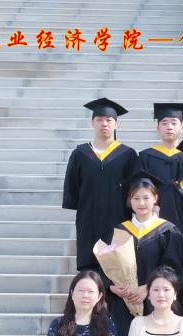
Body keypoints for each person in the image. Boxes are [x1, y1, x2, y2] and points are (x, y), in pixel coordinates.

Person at [104, 171, 183, 336]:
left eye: (146, 197)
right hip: (123, 304)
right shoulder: (119, 230)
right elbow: (105, 268)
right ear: (129, 200)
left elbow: (174, 271)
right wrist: (111, 287)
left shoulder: (168, 231)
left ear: (156, 198)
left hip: (156, 303)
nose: (141, 203)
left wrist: (148, 288)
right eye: (136, 198)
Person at [62, 97, 138, 271]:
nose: (104, 123)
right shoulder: (80, 154)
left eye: (109, 120)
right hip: (88, 220)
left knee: (118, 269)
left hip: (119, 220)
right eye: (99, 119)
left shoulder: (128, 154)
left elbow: (134, 190)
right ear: (92, 123)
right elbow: (73, 187)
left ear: (116, 124)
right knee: (89, 269)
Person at [135, 102, 183, 185]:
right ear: (158, 128)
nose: (169, 127)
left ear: (181, 129)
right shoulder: (146, 156)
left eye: (174, 123)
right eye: (164, 123)